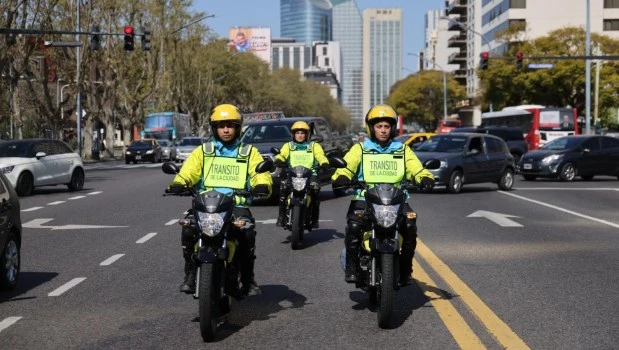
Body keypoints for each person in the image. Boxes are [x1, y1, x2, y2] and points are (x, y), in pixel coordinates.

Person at [168, 104, 272, 295]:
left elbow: (259, 173)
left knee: (247, 233)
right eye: (221, 125)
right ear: (214, 128)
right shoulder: (203, 151)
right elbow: (189, 171)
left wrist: (262, 184)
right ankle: (191, 274)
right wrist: (179, 182)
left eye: (230, 125)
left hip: (236, 206)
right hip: (205, 206)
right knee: (188, 229)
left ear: (238, 128)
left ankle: (248, 280)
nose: (225, 129)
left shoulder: (248, 152)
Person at [332, 104, 435, 285]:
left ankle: (405, 270)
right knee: (354, 227)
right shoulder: (360, 149)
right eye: (379, 126)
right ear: (371, 128)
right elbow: (348, 165)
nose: (383, 130)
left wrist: (424, 177)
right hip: (364, 197)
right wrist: (341, 175)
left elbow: (416, 168)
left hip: (396, 198)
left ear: (392, 128)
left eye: (387, 126)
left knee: (410, 226)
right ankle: (352, 268)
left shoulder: (402, 149)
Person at [274, 121, 330, 228]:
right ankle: (281, 217)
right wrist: (279, 160)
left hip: (310, 175)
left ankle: (314, 219)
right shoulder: (288, 146)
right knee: (283, 189)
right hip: (292, 174)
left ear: (307, 134)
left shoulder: (314, 146)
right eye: (297, 133)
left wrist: (324, 162)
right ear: (293, 134)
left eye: (302, 133)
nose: (300, 135)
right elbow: (282, 155)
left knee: (315, 190)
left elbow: (320, 156)